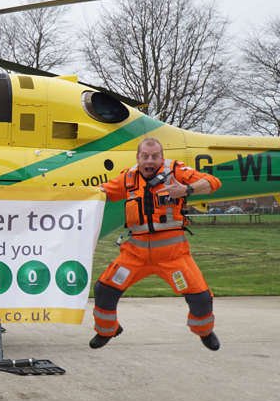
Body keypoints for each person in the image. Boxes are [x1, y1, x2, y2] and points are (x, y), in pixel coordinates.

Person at [90, 137, 222, 351]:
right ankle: (107, 330)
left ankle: (204, 331)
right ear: (138, 157)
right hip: (134, 255)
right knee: (104, 290)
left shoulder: (176, 172)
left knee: (201, 298)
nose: (150, 161)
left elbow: (213, 183)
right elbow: (101, 193)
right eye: (145, 156)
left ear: (161, 157)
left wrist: (186, 190)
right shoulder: (128, 178)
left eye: (154, 156)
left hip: (174, 256)